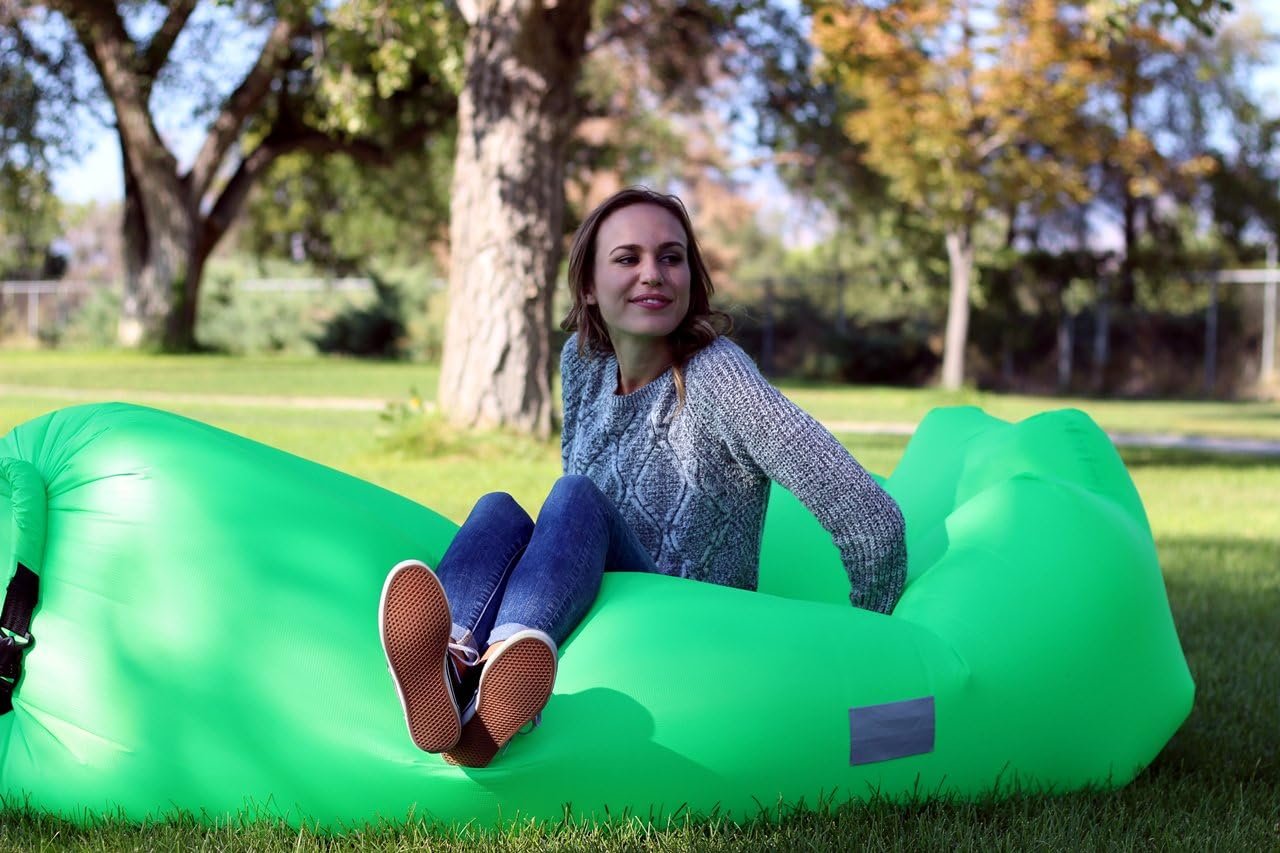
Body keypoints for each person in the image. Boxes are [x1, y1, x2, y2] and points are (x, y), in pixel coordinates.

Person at [378, 186, 907, 768]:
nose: (652, 273)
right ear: (588, 285)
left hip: (693, 635)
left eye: (671, 257)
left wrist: (871, 644)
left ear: (691, 279)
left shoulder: (719, 378)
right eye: (627, 258)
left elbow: (869, 515)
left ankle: (505, 668)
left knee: (575, 496)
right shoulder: (582, 364)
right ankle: (453, 668)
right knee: (497, 509)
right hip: (615, 616)